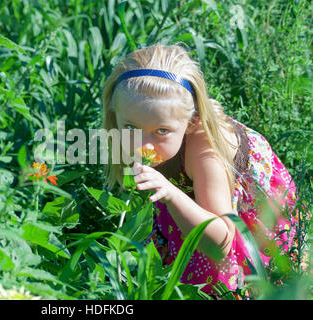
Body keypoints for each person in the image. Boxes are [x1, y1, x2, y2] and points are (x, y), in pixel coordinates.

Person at [101, 43, 301, 298]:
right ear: (114, 115)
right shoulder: (144, 133)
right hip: (188, 189)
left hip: (237, 217)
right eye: (130, 128)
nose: (144, 145)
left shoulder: (205, 153)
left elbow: (223, 244)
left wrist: (171, 193)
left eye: (162, 131)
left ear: (191, 121)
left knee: (219, 285)